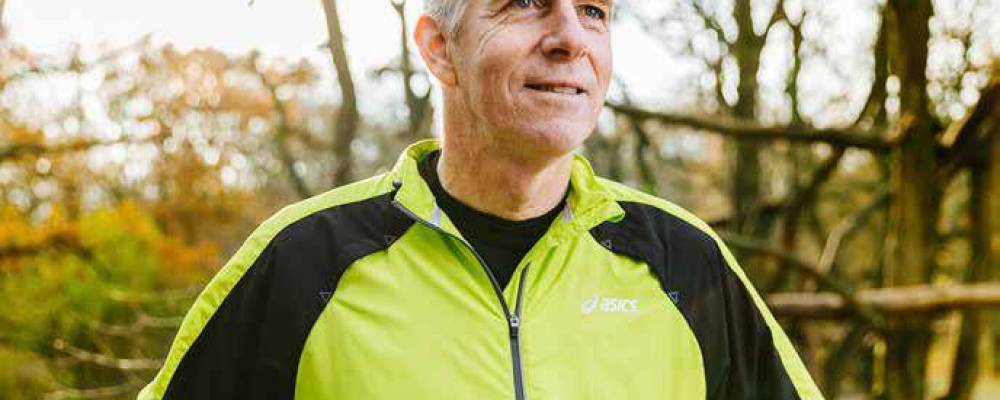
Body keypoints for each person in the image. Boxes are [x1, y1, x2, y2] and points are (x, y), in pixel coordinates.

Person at [140, 0, 823, 398]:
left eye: (593, 11)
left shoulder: (686, 264)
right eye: (524, 2)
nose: (571, 38)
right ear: (440, 49)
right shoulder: (302, 262)